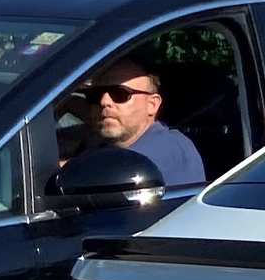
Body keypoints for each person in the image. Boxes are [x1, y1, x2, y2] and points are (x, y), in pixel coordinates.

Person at [82, 49, 206, 186]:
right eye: (95, 95)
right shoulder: (113, 148)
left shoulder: (169, 148)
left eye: (120, 93)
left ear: (152, 104)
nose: (104, 101)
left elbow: (99, 175)